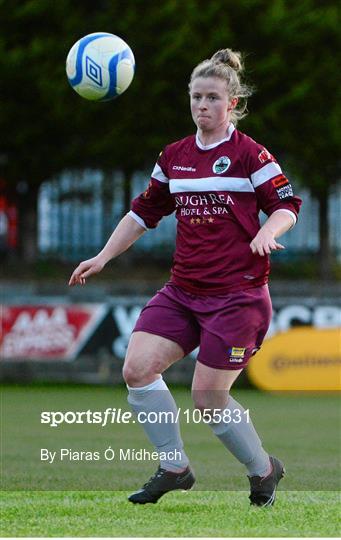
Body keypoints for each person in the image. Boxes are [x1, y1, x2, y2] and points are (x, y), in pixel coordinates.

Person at [69, 48, 302, 507]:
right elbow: (144, 212)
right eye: (196, 97)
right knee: (137, 369)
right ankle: (174, 467)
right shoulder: (174, 156)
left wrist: (268, 233)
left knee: (207, 398)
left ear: (231, 103)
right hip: (183, 291)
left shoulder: (250, 154)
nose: (202, 106)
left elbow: (286, 205)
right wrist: (103, 256)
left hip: (238, 298)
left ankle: (263, 470)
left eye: (212, 98)